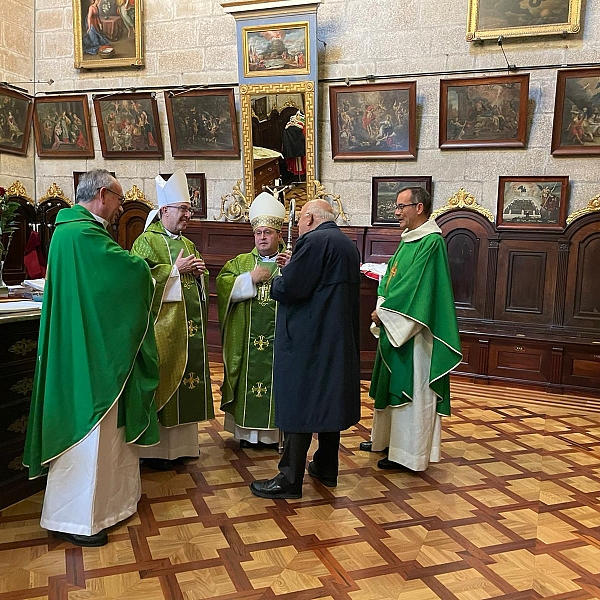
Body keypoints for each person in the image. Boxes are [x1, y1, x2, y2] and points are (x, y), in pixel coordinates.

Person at [23, 169, 160, 547]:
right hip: (90, 355)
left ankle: (105, 508)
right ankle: (77, 519)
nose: (119, 207)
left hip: (79, 345)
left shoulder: (68, 231)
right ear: (102, 194)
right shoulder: (83, 234)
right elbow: (125, 275)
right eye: (118, 199)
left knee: (99, 434)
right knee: (91, 431)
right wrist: (151, 273)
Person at [250, 200, 361, 499]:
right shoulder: (346, 243)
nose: (298, 224)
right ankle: (326, 467)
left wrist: (277, 280)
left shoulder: (313, 241)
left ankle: (289, 479)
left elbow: (290, 289)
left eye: (299, 218)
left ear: (310, 217)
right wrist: (295, 267)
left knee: (299, 402)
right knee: (327, 400)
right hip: (334, 340)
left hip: (307, 341)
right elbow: (319, 283)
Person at [362, 187, 461, 471]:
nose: (396, 212)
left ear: (419, 208)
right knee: (392, 383)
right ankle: (388, 442)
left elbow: (417, 289)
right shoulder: (408, 240)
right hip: (395, 321)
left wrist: (384, 312)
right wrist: (382, 303)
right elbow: (391, 276)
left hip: (416, 332)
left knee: (414, 388)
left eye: (401, 206)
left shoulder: (430, 242)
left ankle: (409, 454)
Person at [131, 169, 213, 471]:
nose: (188, 215)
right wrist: (175, 270)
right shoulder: (145, 243)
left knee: (187, 384)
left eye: (189, 210)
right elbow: (137, 282)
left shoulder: (188, 244)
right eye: (183, 209)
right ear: (164, 210)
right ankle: (156, 451)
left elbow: (192, 285)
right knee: (164, 380)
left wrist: (198, 275)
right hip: (161, 329)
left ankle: (183, 447)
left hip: (189, 329)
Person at [216, 192, 287, 450]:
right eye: (258, 233)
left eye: (268, 233)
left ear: (279, 235)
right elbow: (222, 285)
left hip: (279, 342)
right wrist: (248, 279)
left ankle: (274, 434)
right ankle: (247, 434)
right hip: (246, 342)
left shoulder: (288, 261)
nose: (263, 238)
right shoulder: (242, 262)